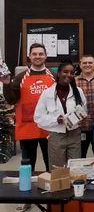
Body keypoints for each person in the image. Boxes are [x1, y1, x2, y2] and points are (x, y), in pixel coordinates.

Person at [5, 43, 56, 179]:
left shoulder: (54, 76)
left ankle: (52, 196)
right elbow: (11, 100)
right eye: (34, 54)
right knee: (28, 165)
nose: (37, 57)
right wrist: (6, 85)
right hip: (28, 126)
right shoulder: (21, 77)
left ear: (45, 56)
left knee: (52, 164)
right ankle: (28, 195)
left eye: (40, 54)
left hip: (50, 127)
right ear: (29, 56)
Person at [34, 61, 87, 169]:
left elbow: (83, 110)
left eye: (71, 73)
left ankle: (74, 187)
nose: (68, 75)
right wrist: (55, 119)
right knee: (57, 170)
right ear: (58, 73)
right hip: (56, 136)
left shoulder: (78, 92)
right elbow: (38, 117)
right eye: (65, 72)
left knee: (75, 169)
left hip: (74, 134)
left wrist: (79, 117)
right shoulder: (47, 93)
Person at [75, 55, 94, 158]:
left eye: (90, 62)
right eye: (84, 63)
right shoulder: (74, 82)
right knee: (80, 157)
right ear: (80, 65)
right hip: (80, 127)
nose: (87, 65)